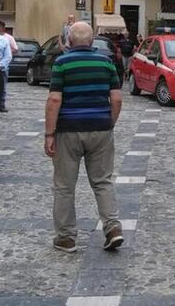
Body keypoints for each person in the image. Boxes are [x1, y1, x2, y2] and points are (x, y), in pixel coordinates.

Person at [45, 21, 124, 253]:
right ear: (92, 41)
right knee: (102, 181)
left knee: (64, 186)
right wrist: (109, 123)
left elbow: (54, 100)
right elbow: (117, 98)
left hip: (68, 130)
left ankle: (66, 237)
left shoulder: (62, 63)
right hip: (100, 129)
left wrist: (49, 133)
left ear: (69, 40)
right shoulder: (106, 62)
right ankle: (113, 228)